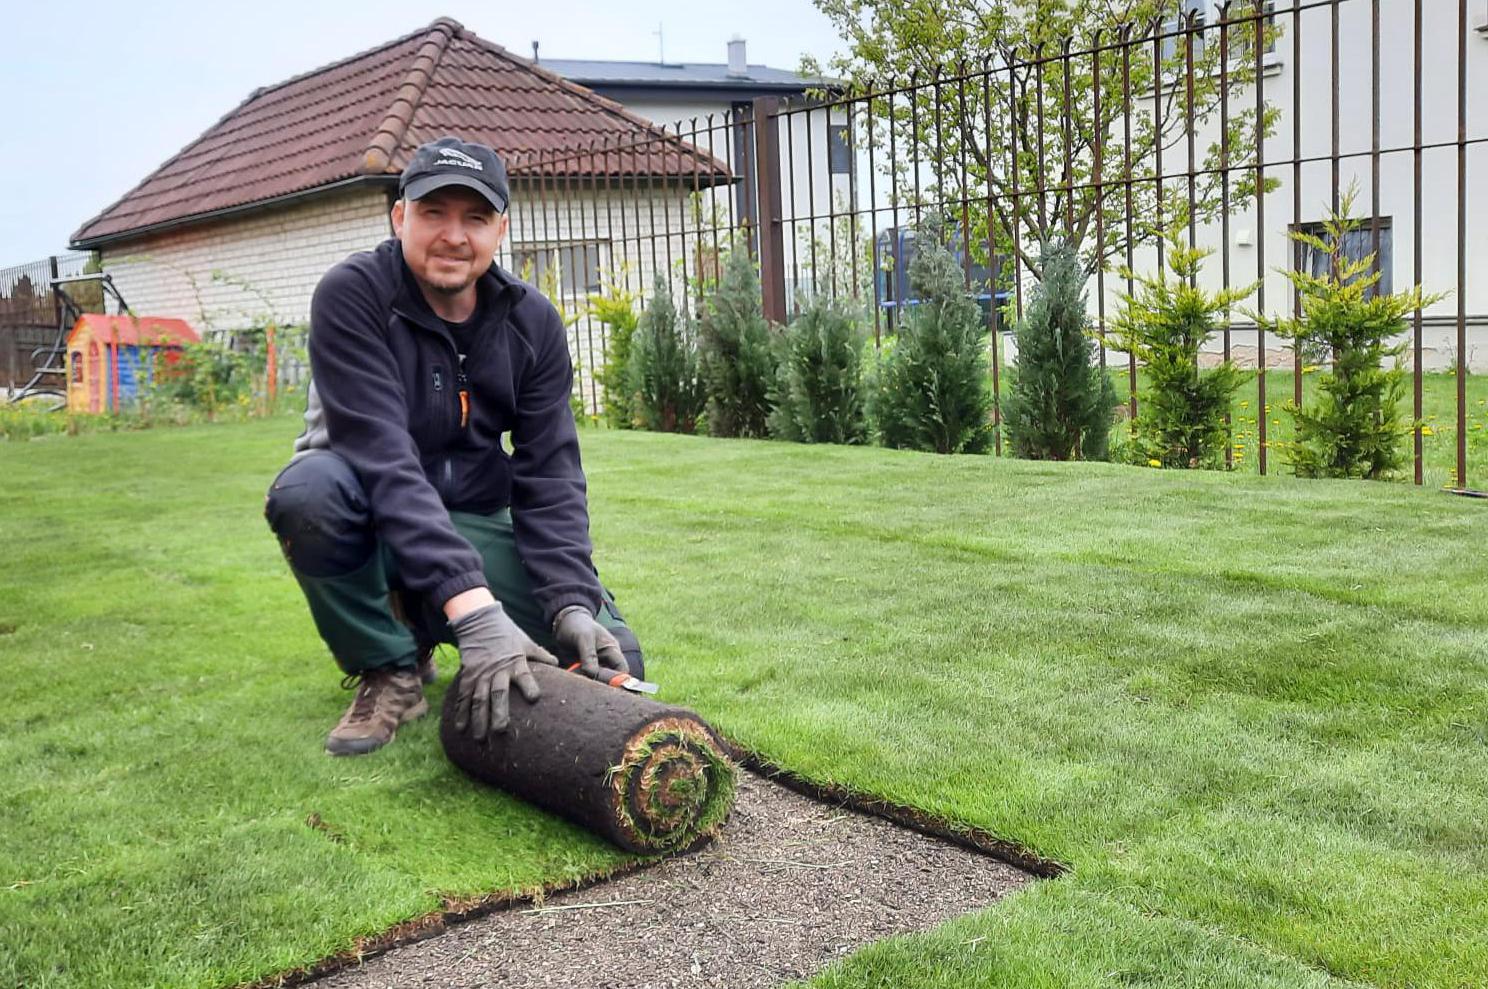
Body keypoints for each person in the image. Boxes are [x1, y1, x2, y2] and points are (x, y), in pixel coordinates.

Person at [265, 136, 642, 756]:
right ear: (399, 217)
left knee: (610, 657)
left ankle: (421, 612)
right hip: (368, 513)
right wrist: (477, 614)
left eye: (475, 217)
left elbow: (550, 476)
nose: (453, 236)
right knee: (307, 494)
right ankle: (390, 666)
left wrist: (571, 602)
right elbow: (382, 461)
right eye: (433, 212)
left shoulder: (532, 322)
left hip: (472, 515)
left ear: (501, 230)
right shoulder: (354, 295)